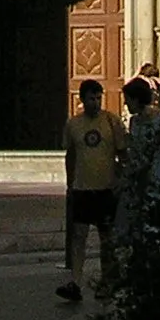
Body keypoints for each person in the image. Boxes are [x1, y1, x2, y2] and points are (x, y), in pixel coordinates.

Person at [58, 78, 125, 303]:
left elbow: (122, 153)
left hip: (105, 189)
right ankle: (75, 281)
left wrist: (120, 181)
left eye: (98, 98)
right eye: (91, 98)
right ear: (82, 99)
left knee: (107, 238)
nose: (95, 103)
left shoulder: (111, 121)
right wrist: (69, 184)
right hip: (82, 188)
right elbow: (71, 155)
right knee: (78, 236)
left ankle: (107, 281)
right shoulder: (73, 125)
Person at [114, 74, 160, 248]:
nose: (126, 104)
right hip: (136, 179)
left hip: (155, 177)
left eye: (128, 100)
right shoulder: (134, 121)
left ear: (137, 99)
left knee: (153, 225)